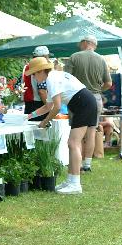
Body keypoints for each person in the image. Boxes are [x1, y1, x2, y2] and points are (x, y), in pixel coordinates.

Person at [25, 57, 98, 194]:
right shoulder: (53, 76)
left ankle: (75, 184)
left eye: (34, 74)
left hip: (83, 104)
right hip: (83, 102)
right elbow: (48, 106)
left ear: (41, 71)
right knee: (72, 143)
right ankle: (71, 180)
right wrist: (29, 116)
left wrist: (45, 122)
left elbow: (57, 107)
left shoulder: (52, 79)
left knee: (73, 143)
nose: (33, 78)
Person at [64, 34, 112, 171]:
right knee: (91, 131)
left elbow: (66, 79)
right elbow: (108, 83)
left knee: (76, 133)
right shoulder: (101, 59)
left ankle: (76, 164)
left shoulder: (74, 57)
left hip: (77, 97)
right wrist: (97, 90)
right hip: (95, 98)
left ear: (85, 42)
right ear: (93, 45)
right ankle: (87, 164)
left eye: (80, 43)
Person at [23, 46, 51, 121]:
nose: (48, 58)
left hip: (29, 103)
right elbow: (42, 91)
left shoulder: (28, 67)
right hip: (39, 104)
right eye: (47, 56)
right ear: (44, 57)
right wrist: (49, 108)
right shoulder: (40, 67)